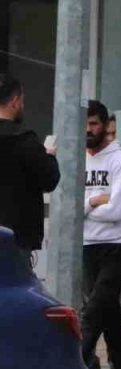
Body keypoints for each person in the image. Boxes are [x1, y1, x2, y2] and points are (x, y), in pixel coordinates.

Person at [82, 100, 121, 369]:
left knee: (93, 310)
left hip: (117, 245)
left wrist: (88, 207)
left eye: (93, 123)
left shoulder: (120, 161)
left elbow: (117, 211)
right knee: (108, 313)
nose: (88, 130)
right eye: (84, 124)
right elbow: (70, 207)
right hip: (88, 242)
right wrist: (93, 200)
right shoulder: (79, 159)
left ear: (104, 125)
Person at [0, 75, 60, 266]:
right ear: (15, 101)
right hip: (15, 240)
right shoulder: (24, 141)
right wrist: (49, 155)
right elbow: (50, 179)